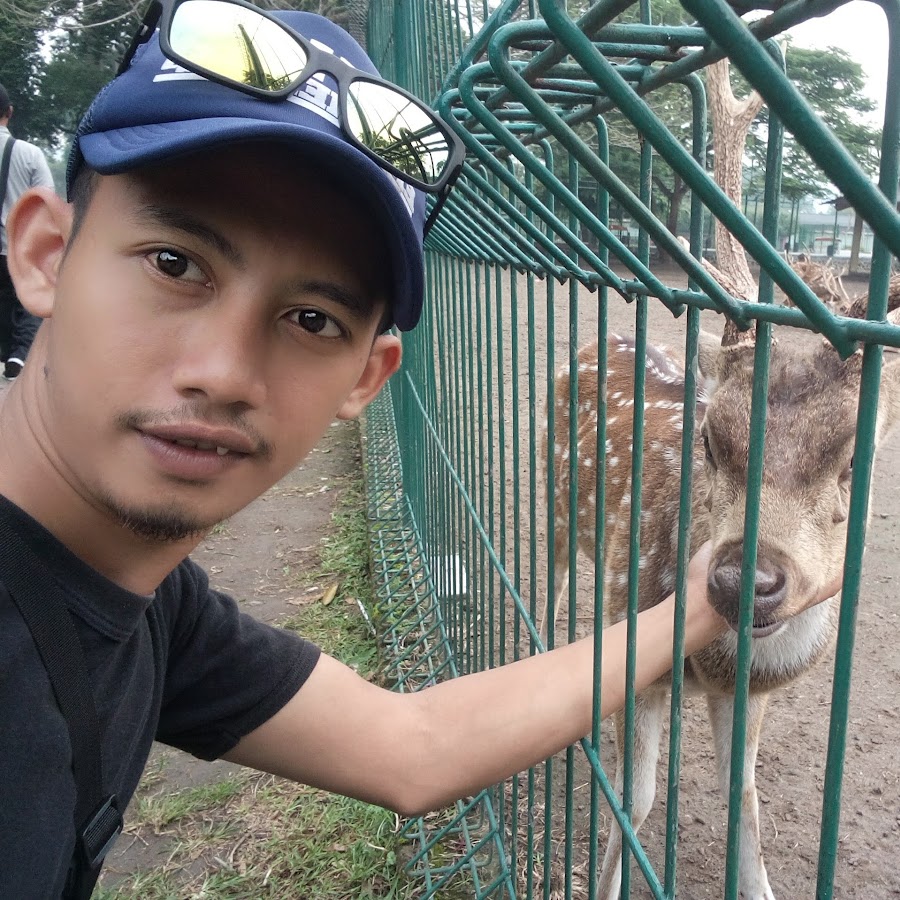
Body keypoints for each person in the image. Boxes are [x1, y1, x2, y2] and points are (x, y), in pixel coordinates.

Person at [0, 5, 842, 897]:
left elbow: (413, 748)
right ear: (43, 255)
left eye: (311, 318)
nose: (223, 372)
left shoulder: (153, 603)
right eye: (174, 264)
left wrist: (722, 591)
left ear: (368, 377)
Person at [0, 82, 55, 380]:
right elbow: (46, 200)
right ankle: (18, 356)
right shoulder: (30, 154)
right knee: (26, 299)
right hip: (13, 246)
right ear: (9, 112)